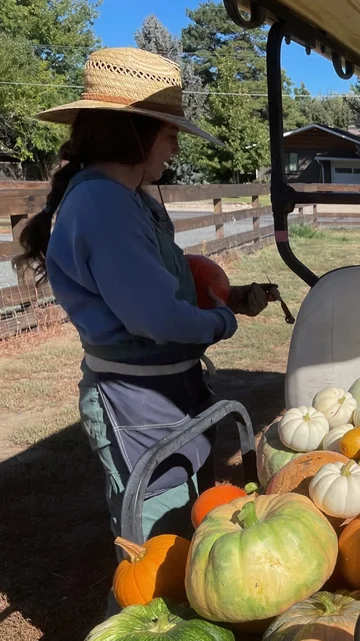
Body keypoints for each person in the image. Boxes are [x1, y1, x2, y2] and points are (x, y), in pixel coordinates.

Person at [15, 48, 277, 541]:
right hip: (136, 399)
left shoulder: (126, 199)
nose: (175, 150)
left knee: (189, 529)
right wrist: (223, 322)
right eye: (170, 134)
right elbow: (156, 319)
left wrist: (228, 296)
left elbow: (155, 290)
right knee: (159, 546)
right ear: (135, 133)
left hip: (163, 393)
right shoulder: (103, 205)